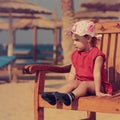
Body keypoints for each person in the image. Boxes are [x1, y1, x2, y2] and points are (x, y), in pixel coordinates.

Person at [41, 20, 112, 106]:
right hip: (81, 83)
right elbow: (72, 73)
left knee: (85, 84)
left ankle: (71, 97)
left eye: (77, 40)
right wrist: (70, 85)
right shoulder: (75, 55)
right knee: (74, 82)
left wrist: (98, 91)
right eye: (73, 40)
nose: (74, 43)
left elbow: (97, 73)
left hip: (97, 85)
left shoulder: (97, 55)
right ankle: (55, 96)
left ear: (88, 39)